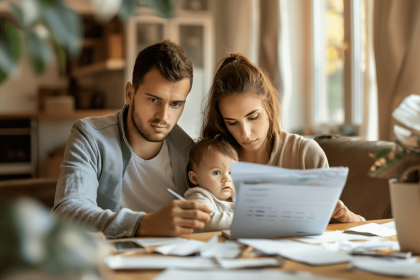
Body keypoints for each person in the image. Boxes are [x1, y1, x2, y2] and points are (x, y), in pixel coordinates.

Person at [52, 40, 212, 239]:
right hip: (111, 262)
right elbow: (67, 212)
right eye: (154, 100)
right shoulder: (90, 136)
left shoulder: (191, 153)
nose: (163, 116)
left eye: (176, 104)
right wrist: (144, 224)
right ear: (130, 93)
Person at [201, 53, 364, 223]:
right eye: (232, 122)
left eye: (253, 117)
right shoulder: (213, 160)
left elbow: (353, 228)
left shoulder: (305, 154)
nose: (245, 134)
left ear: (270, 106)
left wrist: (345, 216)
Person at [185, 137, 238, 232]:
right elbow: (206, 220)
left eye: (231, 173)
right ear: (194, 178)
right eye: (216, 173)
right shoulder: (199, 195)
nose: (227, 179)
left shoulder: (238, 196)